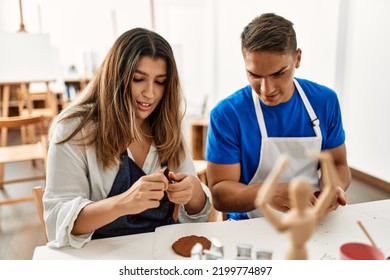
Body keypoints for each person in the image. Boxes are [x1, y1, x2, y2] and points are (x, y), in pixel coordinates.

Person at [43, 28, 211, 248]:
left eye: (160, 82)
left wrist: (194, 192)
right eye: (138, 79)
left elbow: (198, 213)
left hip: (161, 254)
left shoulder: (167, 125)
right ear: (116, 77)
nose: (150, 93)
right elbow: (57, 221)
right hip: (99, 256)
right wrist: (123, 203)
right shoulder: (74, 129)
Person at [205, 13, 351, 220]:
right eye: (254, 75)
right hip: (252, 225)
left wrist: (332, 188)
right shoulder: (227, 115)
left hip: (314, 221)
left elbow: (337, 163)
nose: (266, 89)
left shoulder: (324, 101)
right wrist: (268, 193)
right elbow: (220, 194)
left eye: (278, 74)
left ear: (297, 58)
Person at [255, 152, 340, 259]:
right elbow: (331, 187)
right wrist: (327, 161)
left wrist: (278, 170)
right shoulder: (313, 215)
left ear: (292, 196)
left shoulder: (291, 220)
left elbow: (261, 202)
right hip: (302, 253)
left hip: (292, 253)